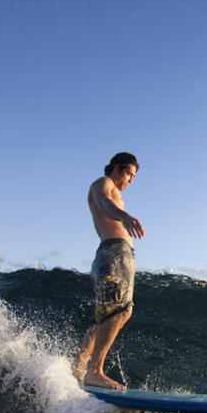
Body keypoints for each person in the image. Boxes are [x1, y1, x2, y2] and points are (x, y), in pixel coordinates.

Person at [72, 152, 145, 390]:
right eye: (129, 174)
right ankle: (94, 371)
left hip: (113, 253)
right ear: (116, 168)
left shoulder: (114, 191)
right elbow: (104, 203)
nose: (130, 181)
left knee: (107, 315)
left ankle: (79, 367)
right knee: (119, 312)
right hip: (113, 252)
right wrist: (125, 216)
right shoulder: (102, 184)